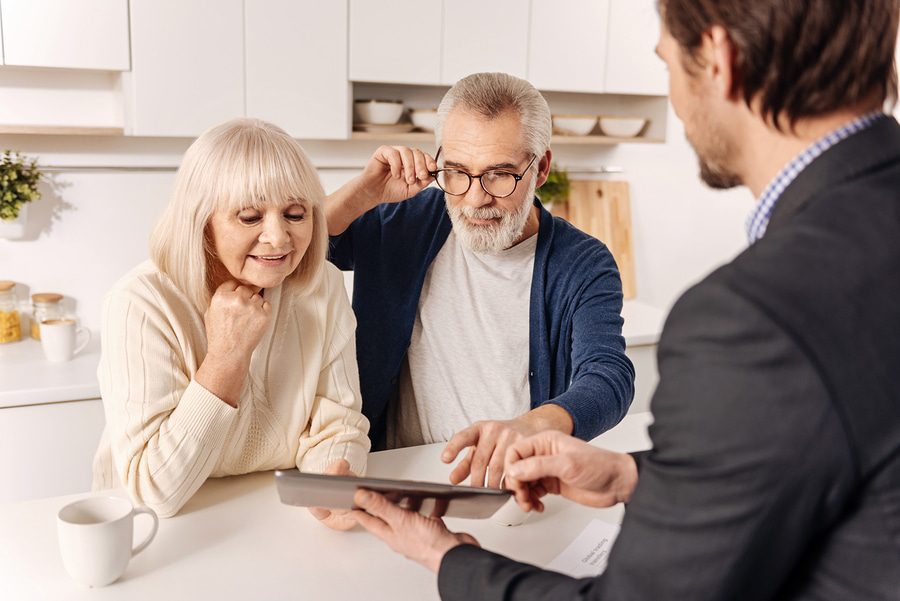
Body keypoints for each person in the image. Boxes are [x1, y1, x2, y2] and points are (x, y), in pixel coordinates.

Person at [350, 0, 900, 598]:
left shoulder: (750, 317)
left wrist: (449, 558)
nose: (477, 194)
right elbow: (827, 470)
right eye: (458, 172)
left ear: (719, 60)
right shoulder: (870, 229)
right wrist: (634, 474)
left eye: (666, 62)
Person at [327, 72, 635, 486]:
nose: (475, 198)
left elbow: (609, 377)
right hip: (395, 475)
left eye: (500, 174)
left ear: (540, 168)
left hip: (506, 484)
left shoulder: (581, 262)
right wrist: (364, 193)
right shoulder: (407, 220)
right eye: (456, 172)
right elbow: (296, 250)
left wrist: (533, 425)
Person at [92, 118, 370, 524]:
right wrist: (226, 356)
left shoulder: (321, 286)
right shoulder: (139, 303)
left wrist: (333, 478)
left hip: (269, 521)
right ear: (202, 222)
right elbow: (156, 493)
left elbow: (338, 425)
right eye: (249, 217)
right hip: (152, 535)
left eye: (295, 214)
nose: (278, 237)